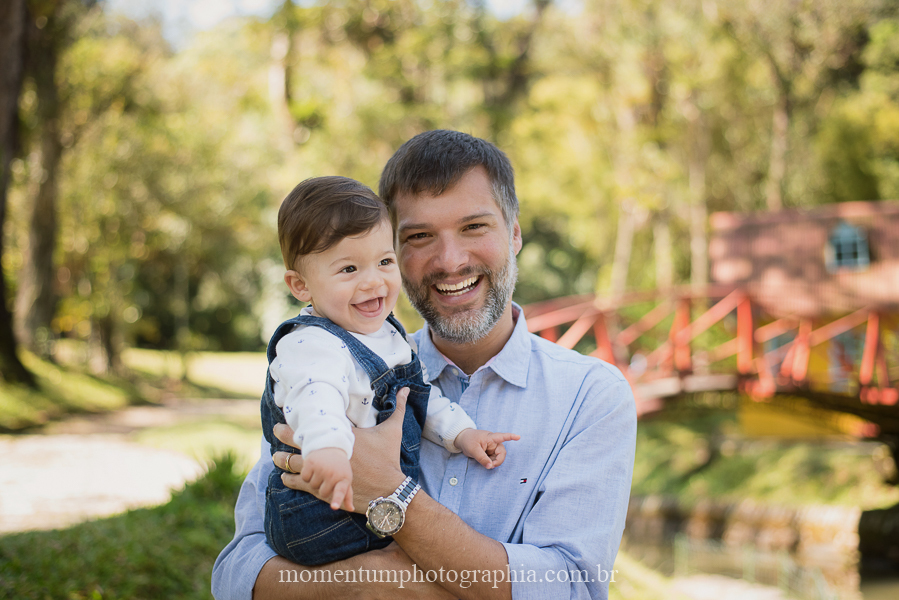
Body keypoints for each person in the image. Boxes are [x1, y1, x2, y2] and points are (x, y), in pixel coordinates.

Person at [212, 130, 637, 600]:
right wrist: (372, 585)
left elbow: (572, 587)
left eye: (474, 227)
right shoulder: (332, 367)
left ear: (514, 233)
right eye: (419, 237)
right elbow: (237, 574)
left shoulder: (592, 396)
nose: (451, 261)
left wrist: (389, 494)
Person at [260, 175, 519, 566]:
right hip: (321, 514)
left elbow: (418, 399)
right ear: (301, 285)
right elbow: (316, 398)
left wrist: (463, 434)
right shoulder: (310, 343)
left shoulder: (389, 338)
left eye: (384, 262)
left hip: (370, 517)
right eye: (348, 269)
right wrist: (327, 451)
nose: (372, 281)